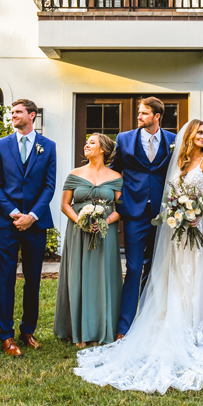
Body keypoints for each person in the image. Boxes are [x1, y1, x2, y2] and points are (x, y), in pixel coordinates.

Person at [74, 120, 203, 394]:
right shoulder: (178, 162)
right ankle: (174, 319)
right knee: (176, 272)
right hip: (177, 226)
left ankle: (196, 325)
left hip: (199, 224)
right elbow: (170, 193)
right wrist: (177, 212)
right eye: (199, 132)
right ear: (189, 135)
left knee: (199, 273)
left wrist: (197, 212)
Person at [0, 98, 57, 357]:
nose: (13, 115)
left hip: (36, 224)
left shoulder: (48, 146)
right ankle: (6, 335)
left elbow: (49, 185)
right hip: (8, 222)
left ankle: (28, 330)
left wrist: (33, 215)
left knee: (33, 278)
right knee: (5, 278)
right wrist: (15, 213)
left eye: (18, 112)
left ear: (32, 115)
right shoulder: (1, 145)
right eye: (12, 112)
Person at [114, 97, 177, 338]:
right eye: (139, 112)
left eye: (144, 113)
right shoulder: (124, 139)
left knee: (155, 268)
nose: (138, 116)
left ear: (157, 116)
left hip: (163, 213)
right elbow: (115, 170)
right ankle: (125, 327)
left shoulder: (173, 140)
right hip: (135, 212)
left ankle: (148, 323)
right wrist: (120, 198)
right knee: (133, 268)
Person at [54, 133, 124, 347]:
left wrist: (106, 222)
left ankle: (101, 329)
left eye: (92, 142)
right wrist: (81, 221)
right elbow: (65, 205)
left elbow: (122, 208)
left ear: (103, 149)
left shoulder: (116, 177)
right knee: (78, 276)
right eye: (86, 142)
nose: (86, 145)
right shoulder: (74, 174)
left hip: (105, 234)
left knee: (103, 277)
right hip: (79, 232)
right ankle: (80, 332)